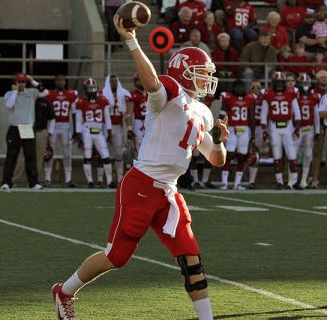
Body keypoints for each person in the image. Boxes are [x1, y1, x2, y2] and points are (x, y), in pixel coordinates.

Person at [51, 14, 229, 320]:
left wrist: (219, 141)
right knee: (116, 257)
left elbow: (216, 159)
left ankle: (206, 317)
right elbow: (152, 82)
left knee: (191, 259)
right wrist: (132, 40)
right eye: (200, 72)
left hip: (169, 193)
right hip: (142, 185)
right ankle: (64, 291)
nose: (206, 78)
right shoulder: (169, 94)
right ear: (185, 72)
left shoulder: (203, 112)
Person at [0, 72, 48, 190]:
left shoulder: (31, 93)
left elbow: (45, 92)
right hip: (14, 127)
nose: (21, 84)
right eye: (19, 82)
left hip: (27, 127)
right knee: (12, 156)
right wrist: (15, 92)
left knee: (30, 156)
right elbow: (9, 105)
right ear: (15, 83)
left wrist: (33, 81)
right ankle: (6, 182)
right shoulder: (9, 94)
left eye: (23, 82)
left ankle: (33, 182)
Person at [261, 71, 301, 189]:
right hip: (274, 126)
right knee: (277, 156)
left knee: (292, 155)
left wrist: (297, 128)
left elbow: (297, 113)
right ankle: (279, 182)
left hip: (288, 126)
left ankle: (293, 182)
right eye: (277, 82)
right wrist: (264, 130)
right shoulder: (268, 94)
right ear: (273, 83)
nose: (279, 84)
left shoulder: (291, 93)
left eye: (281, 82)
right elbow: (264, 114)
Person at [75, 78, 114, 188]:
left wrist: (109, 132)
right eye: (90, 88)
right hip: (86, 130)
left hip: (99, 131)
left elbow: (107, 118)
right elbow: (78, 120)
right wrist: (78, 135)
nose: (92, 91)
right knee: (87, 156)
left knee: (105, 156)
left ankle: (110, 181)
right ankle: (90, 181)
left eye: (93, 88)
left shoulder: (102, 100)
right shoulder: (81, 102)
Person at [219, 79, 256, 190]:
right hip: (232, 129)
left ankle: (237, 183)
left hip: (245, 130)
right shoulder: (228, 97)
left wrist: (253, 134)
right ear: (233, 88)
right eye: (237, 87)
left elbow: (251, 117)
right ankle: (224, 183)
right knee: (229, 154)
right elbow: (223, 113)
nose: (240, 89)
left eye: (241, 87)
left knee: (242, 156)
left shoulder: (249, 98)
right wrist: (221, 128)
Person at [44, 75, 78, 187]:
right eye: (58, 80)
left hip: (65, 126)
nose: (60, 82)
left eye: (62, 80)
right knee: (50, 152)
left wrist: (75, 130)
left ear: (65, 82)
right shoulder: (50, 94)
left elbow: (73, 113)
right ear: (55, 82)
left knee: (67, 153)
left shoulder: (71, 95)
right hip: (53, 125)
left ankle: (68, 179)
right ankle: (47, 178)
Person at [12, 96, 55, 186]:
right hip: (26, 129)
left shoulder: (45, 102)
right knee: (21, 156)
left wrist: (49, 132)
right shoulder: (25, 100)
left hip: (40, 130)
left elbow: (52, 117)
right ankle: (13, 179)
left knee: (39, 157)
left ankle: (34, 181)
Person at [102, 74, 131, 184]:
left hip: (118, 126)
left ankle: (120, 179)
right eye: (111, 82)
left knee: (118, 154)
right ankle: (107, 179)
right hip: (106, 126)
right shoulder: (104, 93)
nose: (113, 83)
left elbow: (129, 98)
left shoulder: (123, 93)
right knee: (104, 153)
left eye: (115, 81)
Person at [295, 73, 320, 188]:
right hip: (297, 129)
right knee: (293, 154)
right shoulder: (294, 95)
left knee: (308, 154)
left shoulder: (314, 97)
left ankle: (303, 180)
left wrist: (317, 132)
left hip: (309, 129)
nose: (305, 86)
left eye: (306, 83)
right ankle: (293, 180)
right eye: (303, 83)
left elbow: (316, 116)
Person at [126, 73, 148, 152]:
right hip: (139, 122)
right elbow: (129, 114)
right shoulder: (132, 95)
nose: (140, 83)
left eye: (142, 80)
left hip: (151, 120)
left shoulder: (151, 93)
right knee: (139, 144)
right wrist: (129, 129)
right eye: (138, 81)